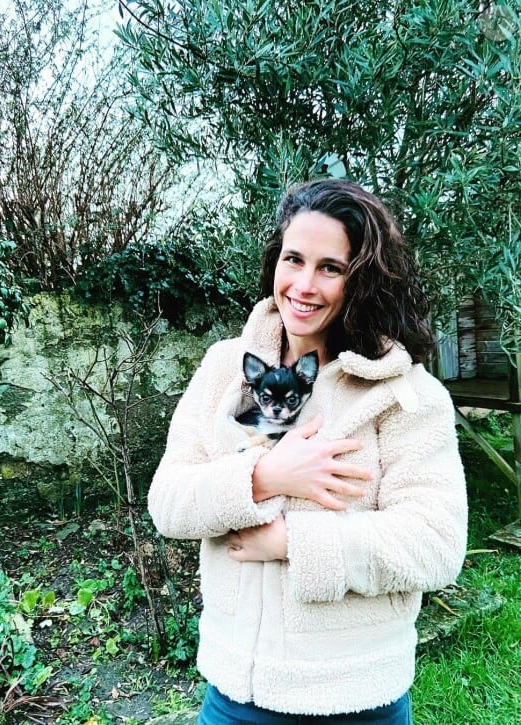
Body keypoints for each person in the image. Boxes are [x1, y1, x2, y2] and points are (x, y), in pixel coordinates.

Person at [148, 178, 468, 724]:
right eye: (294, 259)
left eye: (331, 267)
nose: (304, 284)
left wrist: (291, 540)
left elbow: (434, 545)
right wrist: (264, 476)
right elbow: (168, 502)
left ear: (361, 280)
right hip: (232, 696)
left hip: (353, 699)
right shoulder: (224, 367)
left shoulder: (405, 395)